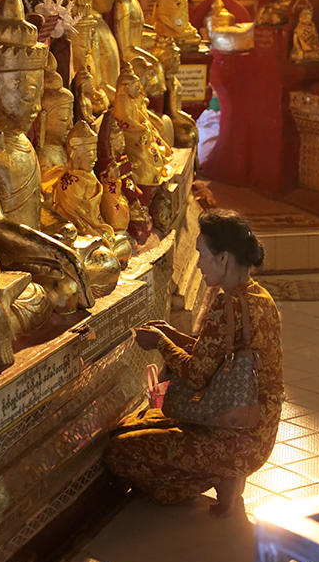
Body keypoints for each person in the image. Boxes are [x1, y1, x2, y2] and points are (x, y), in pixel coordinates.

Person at [105, 209, 284, 517]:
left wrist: (160, 344)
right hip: (256, 431)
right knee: (138, 425)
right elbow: (216, 354)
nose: (199, 263)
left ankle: (219, 475)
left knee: (118, 450)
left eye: (202, 255)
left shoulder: (225, 305)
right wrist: (172, 333)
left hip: (232, 439)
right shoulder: (260, 297)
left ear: (224, 258)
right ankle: (226, 473)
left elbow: (198, 374)